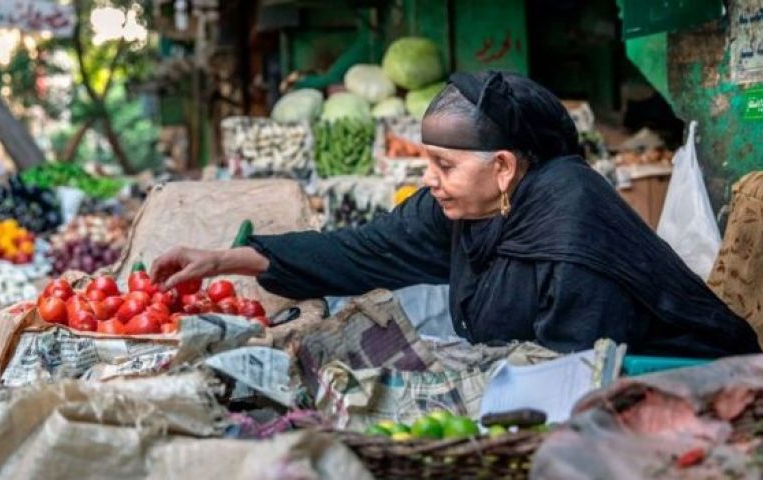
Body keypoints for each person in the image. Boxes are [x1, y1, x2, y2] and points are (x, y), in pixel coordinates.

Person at [151, 71, 760, 358]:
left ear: (502, 166)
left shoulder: (574, 225)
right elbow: (363, 249)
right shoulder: (472, 206)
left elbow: (582, 371)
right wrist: (222, 260)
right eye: (426, 161)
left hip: (673, 381)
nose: (428, 179)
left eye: (443, 163)